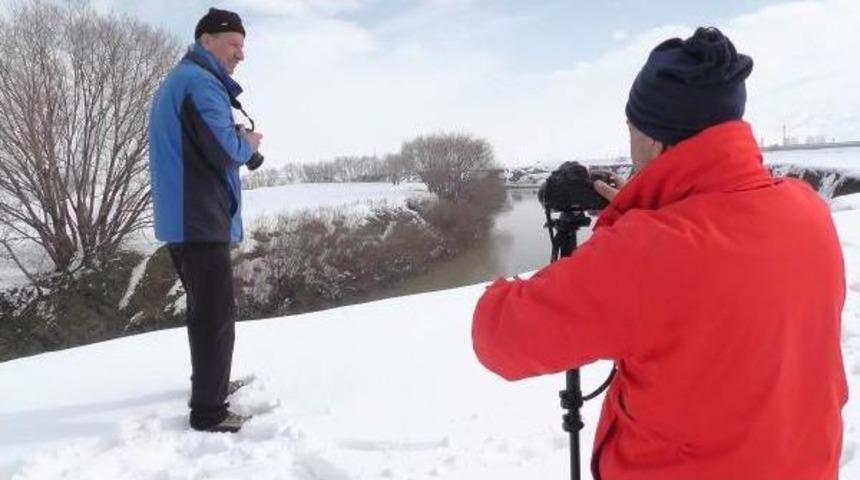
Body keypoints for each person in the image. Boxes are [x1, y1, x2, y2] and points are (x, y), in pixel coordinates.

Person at [472, 27, 846, 479]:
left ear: (653, 139)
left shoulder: (646, 253)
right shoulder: (806, 209)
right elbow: (715, 272)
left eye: (629, 128)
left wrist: (627, 231)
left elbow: (498, 336)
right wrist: (647, 214)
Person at [148, 8, 263, 433]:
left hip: (188, 217)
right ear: (206, 41)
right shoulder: (199, 82)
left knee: (206, 311)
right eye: (233, 43)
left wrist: (238, 142)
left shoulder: (185, 81)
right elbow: (223, 148)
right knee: (215, 315)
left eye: (242, 44)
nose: (240, 53)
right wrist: (247, 142)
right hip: (199, 218)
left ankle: (211, 385)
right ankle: (210, 412)